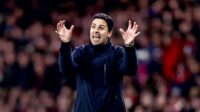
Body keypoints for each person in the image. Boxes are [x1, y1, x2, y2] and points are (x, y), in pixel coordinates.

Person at [55, 13, 140, 112]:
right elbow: (65, 69)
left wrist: (129, 47)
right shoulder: (81, 52)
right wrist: (65, 45)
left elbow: (130, 70)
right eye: (93, 27)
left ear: (109, 33)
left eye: (101, 28)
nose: (96, 30)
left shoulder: (117, 53)